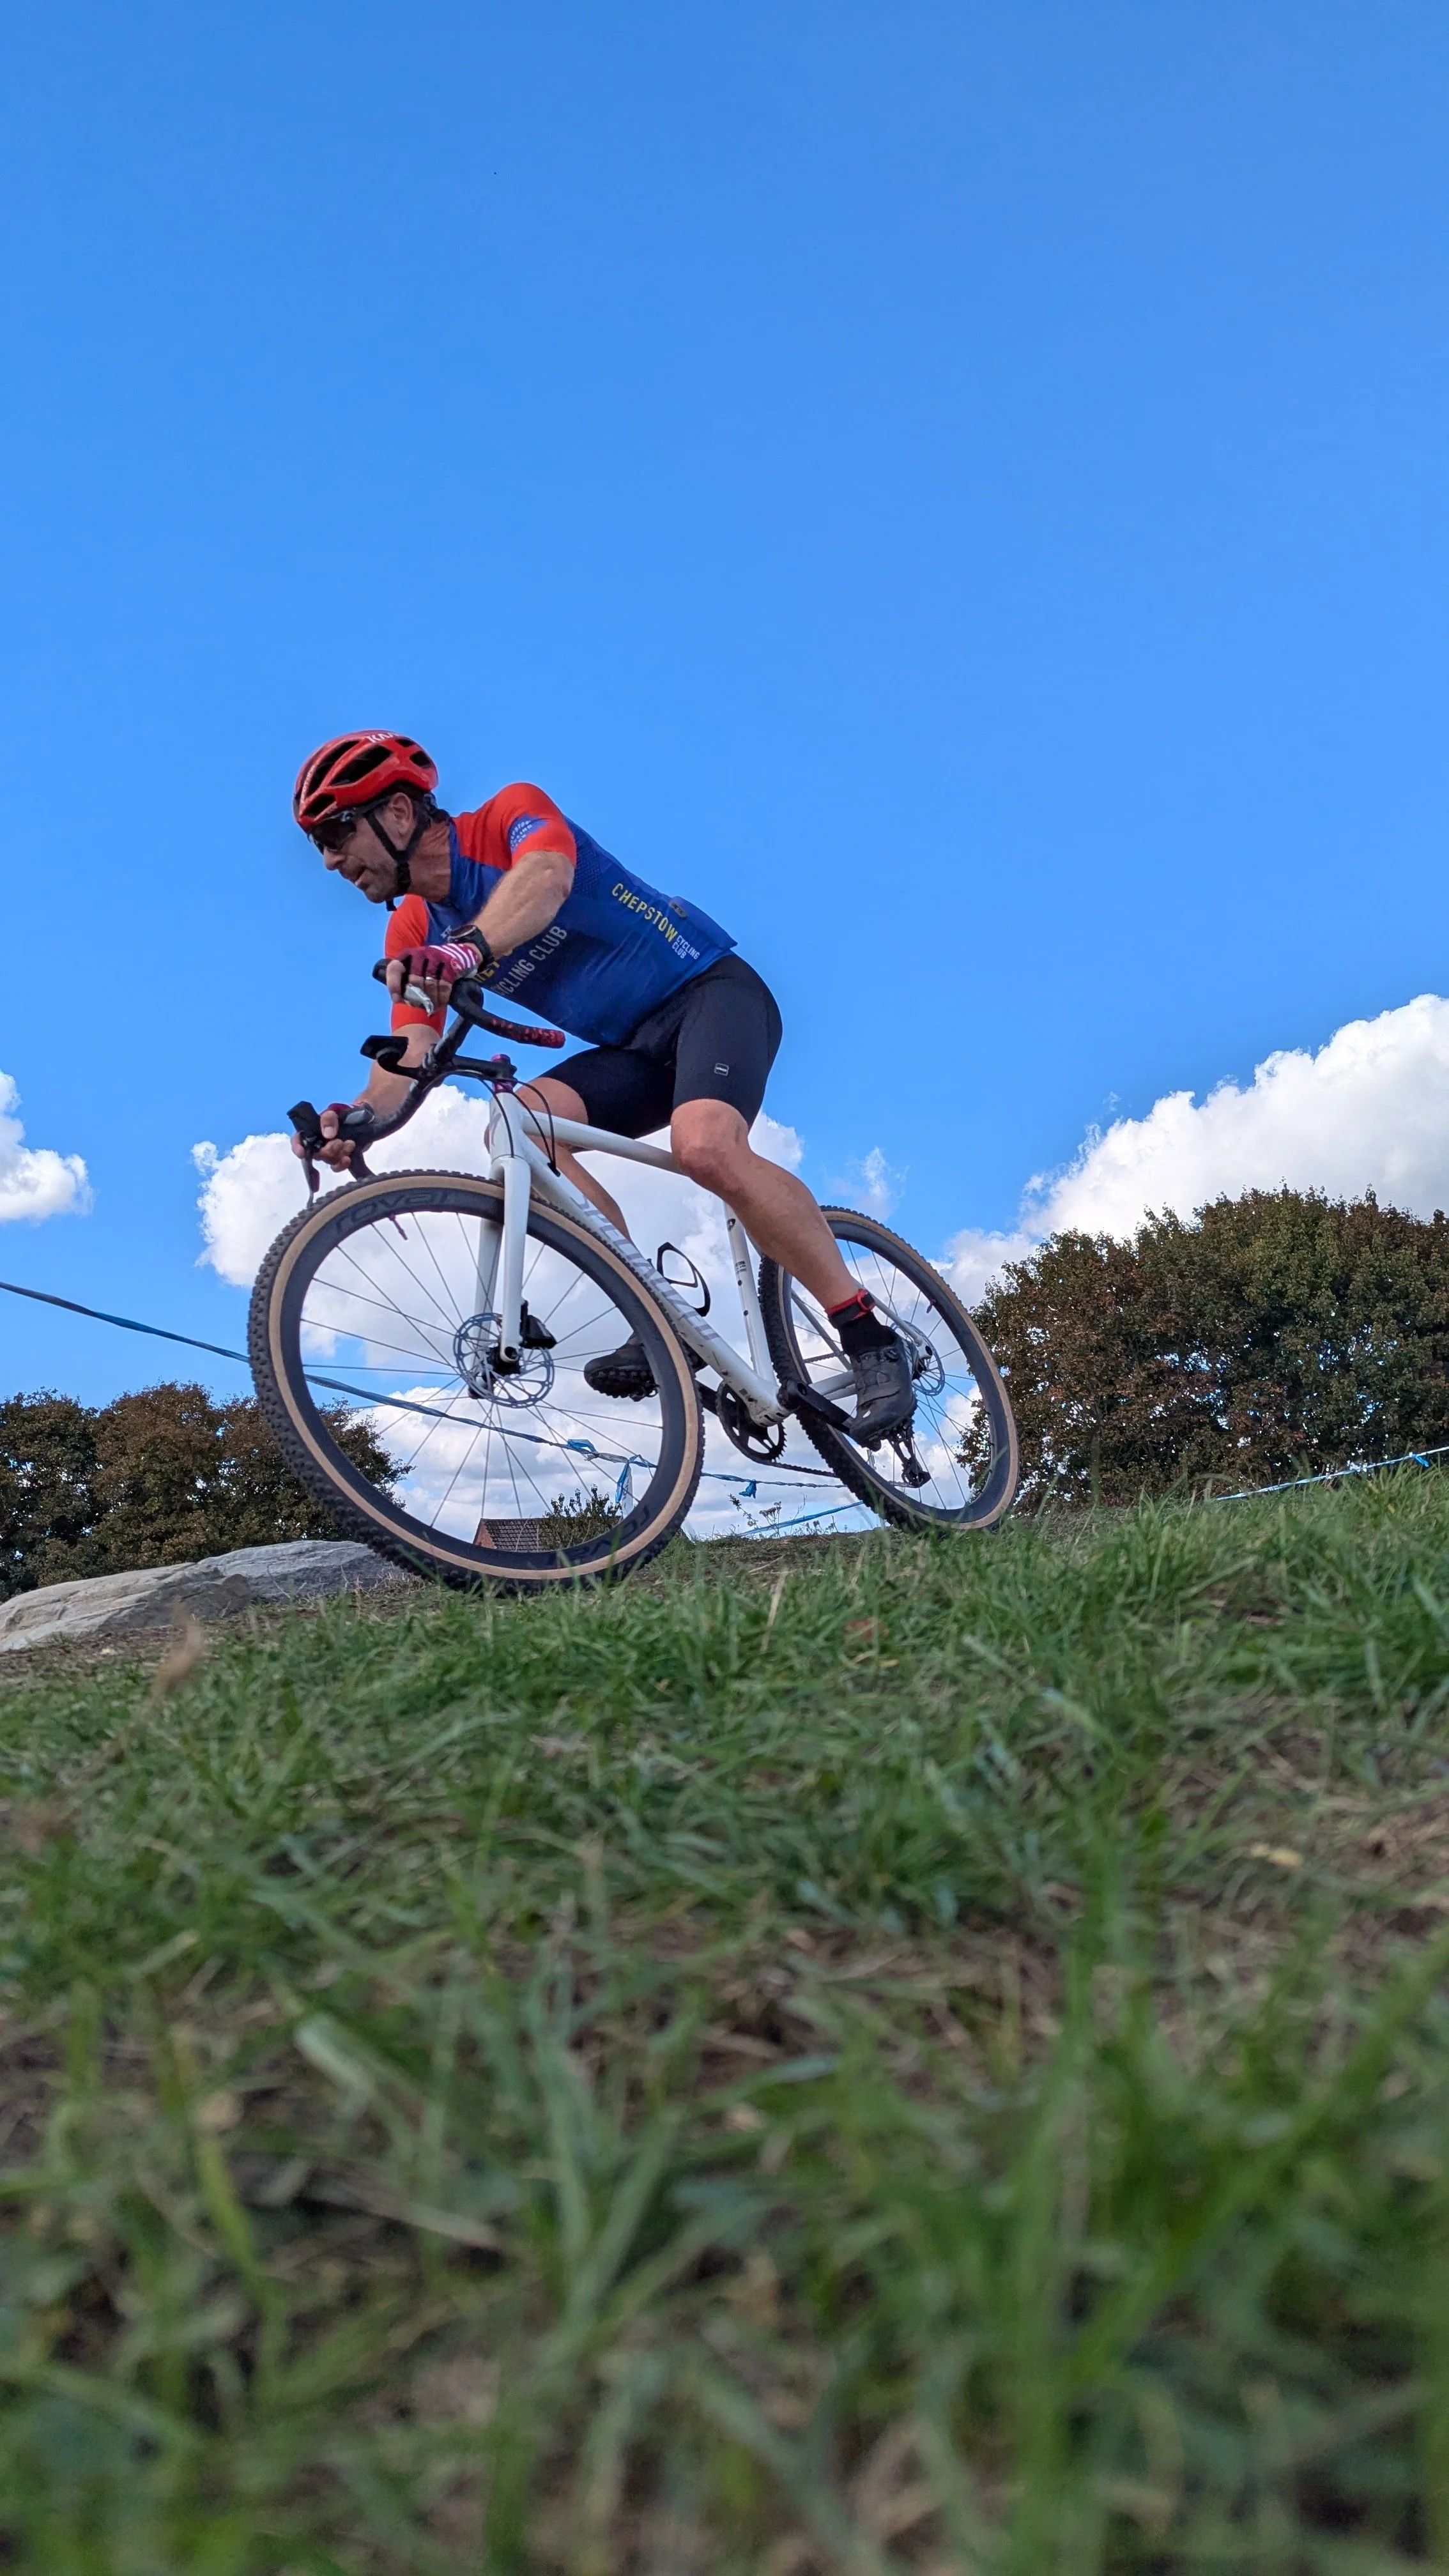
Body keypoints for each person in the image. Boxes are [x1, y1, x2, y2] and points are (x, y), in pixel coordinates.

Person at [291, 730, 914, 1440]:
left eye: (337, 832)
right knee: (514, 1128)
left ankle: (866, 1334)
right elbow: (412, 1045)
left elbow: (546, 880)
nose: (331, 859)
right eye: (318, 844)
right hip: (634, 1049)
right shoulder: (410, 926)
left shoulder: (508, 817)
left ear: (399, 814)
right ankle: (657, 1314)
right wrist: (359, 1118)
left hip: (708, 993)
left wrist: (467, 948)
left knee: (705, 1148)